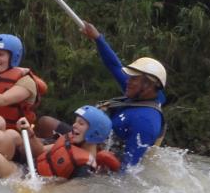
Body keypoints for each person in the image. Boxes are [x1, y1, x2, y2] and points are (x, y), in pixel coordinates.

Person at [36, 22, 167, 171]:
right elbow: (114, 66)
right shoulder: (139, 92)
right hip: (88, 138)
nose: (128, 81)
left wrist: (101, 165)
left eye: (134, 79)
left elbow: (129, 170)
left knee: (40, 146)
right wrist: (98, 38)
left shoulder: (146, 122)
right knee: (45, 122)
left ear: (149, 86)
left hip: (94, 157)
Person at [0, 106, 120, 179]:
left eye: (81, 124)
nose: (74, 126)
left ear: (94, 132)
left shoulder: (85, 167)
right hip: (28, 169)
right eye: (75, 122)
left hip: (29, 182)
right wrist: (31, 135)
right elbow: (41, 152)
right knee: (7, 135)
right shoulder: (70, 139)